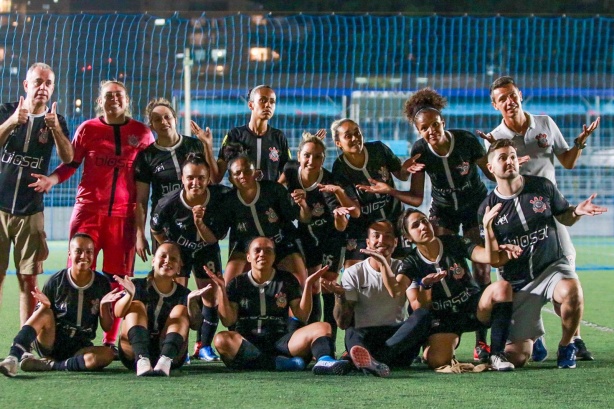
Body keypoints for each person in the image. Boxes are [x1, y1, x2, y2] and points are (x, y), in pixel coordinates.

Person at [362, 88, 495, 362]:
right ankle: (438, 331)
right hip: (443, 211)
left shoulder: (467, 141)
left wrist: (505, 162)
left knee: (481, 271)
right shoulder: (420, 150)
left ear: (442, 121)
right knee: (437, 267)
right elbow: (415, 197)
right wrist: (390, 190)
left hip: (474, 207)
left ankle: (482, 342)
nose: (431, 131)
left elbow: (490, 174)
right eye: (424, 128)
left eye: (435, 124)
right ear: (418, 130)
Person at [478, 76, 601, 362]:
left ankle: (574, 339)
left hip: (549, 210)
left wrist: (579, 143)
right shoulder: (497, 137)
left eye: (512, 95)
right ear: (495, 105)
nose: (509, 101)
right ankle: (533, 334)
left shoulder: (544, 124)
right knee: (514, 275)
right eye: (502, 99)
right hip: (514, 219)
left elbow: (567, 161)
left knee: (567, 276)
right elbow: (494, 176)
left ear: (520, 95)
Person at [29, 80, 154, 352]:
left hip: (123, 218)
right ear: (101, 101)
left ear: (127, 99)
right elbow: (71, 164)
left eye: (119, 95)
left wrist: (143, 227)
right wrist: (51, 179)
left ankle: (110, 342)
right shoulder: (88, 129)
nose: (114, 100)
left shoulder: (142, 133)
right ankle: (66, 334)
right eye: (108, 96)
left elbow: (151, 173)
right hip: (88, 213)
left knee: (118, 280)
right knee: (78, 273)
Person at [398, 208, 520, 371]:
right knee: (437, 361)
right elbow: (419, 308)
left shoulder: (453, 241)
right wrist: (426, 286)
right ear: (408, 236)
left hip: (472, 307)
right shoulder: (411, 262)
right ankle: (432, 347)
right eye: (415, 225)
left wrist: (488, 228)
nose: (423, 226)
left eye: (424, 220)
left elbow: (489, 257)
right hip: (444, 320)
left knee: (502, 287)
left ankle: (497, 354)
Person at [207, 236, 350, 375]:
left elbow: (302, 315)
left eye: (268, 251)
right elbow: (228, 320)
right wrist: (221, 291)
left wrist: (308, 285)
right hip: (247, 342)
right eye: (257, 250)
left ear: (274, 257)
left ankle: (325, 361)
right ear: (248, 257)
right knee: (221, 339)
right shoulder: (237, 283)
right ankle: (275, 363)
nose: (262, 254)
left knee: (323, 327)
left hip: (281, 342)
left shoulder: (286, 279)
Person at [0, 62, 74, 326]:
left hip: (31, 210)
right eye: (38, 81)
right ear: (26, 85)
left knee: (28, 279)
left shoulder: (56, 121)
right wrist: (11, 122)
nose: (43, 87)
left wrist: (54, 129)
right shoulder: (6, 111)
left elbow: (69, 157)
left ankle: (22, 346)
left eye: (48, 83)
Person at [322, 220, 432, 377]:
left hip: (397, 342)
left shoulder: (404, 268)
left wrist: (426, 286)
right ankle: (371, 361)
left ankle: (369, 362)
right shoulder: (354, 273)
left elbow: (416, 305)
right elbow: (342, 322)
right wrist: (340, 296)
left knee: (424, 316)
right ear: (368, 243)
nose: (381, 241)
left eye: (387, 236)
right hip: (367, 339)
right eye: (376, 236)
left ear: (395, 242)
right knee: (352, 330)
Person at [0, 233, 118, 377]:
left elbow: (107, 327)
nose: (84, 256)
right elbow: (38, 319)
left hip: (80, 347)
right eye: (78, 251)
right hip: (51, 341)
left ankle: (51, 365)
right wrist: (44, 306)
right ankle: (12, 358)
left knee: (107, 354)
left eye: (89, 252)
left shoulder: (102, 283)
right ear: (70, 254)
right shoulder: (55, 281)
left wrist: (104, 305)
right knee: (44, 312)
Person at [150, 153, 230, 361]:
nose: (195, 182)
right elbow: (156, 229)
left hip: (206, 249)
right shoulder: (168, 203)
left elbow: (213, 240)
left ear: (208, 178)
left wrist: (199, 222)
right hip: (181, 253)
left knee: (210, 296)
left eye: (201, 178)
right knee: (178, 298)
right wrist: (170, 248)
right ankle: (179, 347)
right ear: (182, 179)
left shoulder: (220, 197)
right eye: (190, 178)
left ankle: (203, 346)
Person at [279, 131, 359, 337]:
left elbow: (340, 226)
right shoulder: (289, 170)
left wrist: (341, 216)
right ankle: (312, 335)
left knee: (328, 286)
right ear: (298, 157)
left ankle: (329, 341)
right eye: (306, 155)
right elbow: (281, 193)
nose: (311, 160)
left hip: (331, 237)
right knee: (311, 286)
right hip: (307, 235)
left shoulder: (328, 185)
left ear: (324, 159)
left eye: (317, 156)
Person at [135, 98, 219, 262]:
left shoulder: (195, 145)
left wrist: (207, 146)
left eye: (167, 117)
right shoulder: (146, 156)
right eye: (157, 119)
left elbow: (214, 180)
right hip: (166, 226)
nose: (163, 122)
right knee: (170, 282)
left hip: (199, 221)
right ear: (151, 125)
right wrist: (140, 234)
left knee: (209, 282)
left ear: (175, 119)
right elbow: (141, 200)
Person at [330, 118, 417, 267]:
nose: (355, 138)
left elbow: (401, 175)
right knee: (352, 270)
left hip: (395, 219)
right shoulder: (339, 167)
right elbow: (355, 210)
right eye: (348, 136)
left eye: (357, 133)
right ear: (338, 143)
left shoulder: (379, 149)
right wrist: (340, 193)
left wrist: (406, 169)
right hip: (363, 226)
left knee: (405, 270)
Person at [214, 155, 307, 287]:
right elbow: (219, 233)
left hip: (281, 243)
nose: (242, 176)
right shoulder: (229, 201)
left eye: (247, 171)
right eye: (237, 173)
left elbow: (301, 217)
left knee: (300, 283)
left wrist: (303, 205)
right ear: (230, 179)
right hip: (246, 248)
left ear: (256, 173)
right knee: (228, 285)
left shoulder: (274, 190)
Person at [114, 242, 195, 376]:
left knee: (181, 309)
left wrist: (192, 304)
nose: (167, 260)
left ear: (179, 267)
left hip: (170, 354)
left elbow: (196, 325)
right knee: (136, 305)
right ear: (153, 261)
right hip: (133, 354)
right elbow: (118, 312)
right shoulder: (137, 285)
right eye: (163, 256)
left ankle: (165, 361)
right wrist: (129, 295)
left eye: (173, 259)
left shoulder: (184, 294)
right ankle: (142, 360)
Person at [214, 85, 291, 183]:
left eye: (272, 101)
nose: (268, 105)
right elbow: (216, 177)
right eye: (263, 100)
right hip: (241, 197)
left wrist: (275, 188)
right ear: (251, 105)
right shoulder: (235, 135)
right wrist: (208, 146)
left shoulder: (279, 137)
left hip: (269, 198)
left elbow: (288, 171)